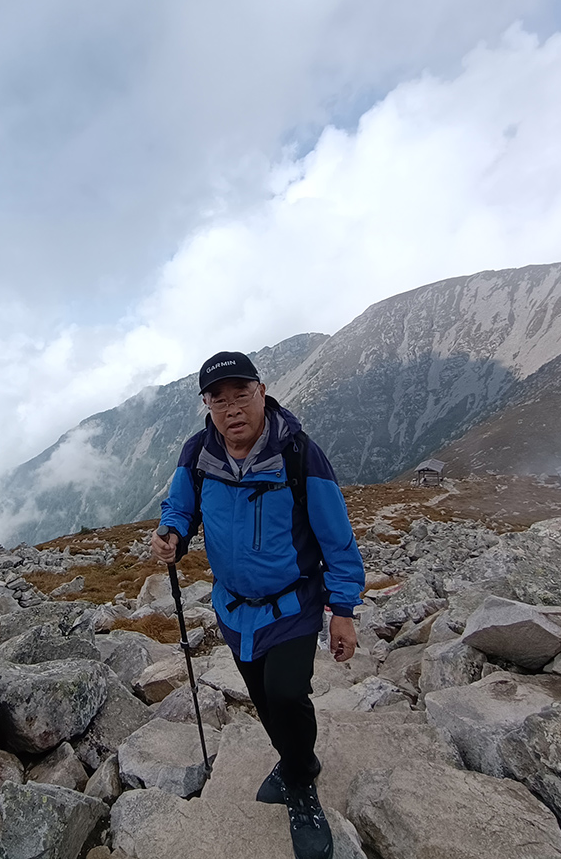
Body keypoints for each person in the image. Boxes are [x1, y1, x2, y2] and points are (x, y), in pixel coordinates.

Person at [151, 350, 365, 859]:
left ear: (262, 392)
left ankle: (301, 785)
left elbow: (337, 538)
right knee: (267, 704)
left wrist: (344, 610)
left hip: (293, 604)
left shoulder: (298, 454)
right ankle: (296, 760)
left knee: (287, 694)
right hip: (232, 609)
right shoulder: (197, 453)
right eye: (218, 400)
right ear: (207, 404)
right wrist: (172, 534)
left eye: (241, 395)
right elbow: (180, 505)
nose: (232, 410)